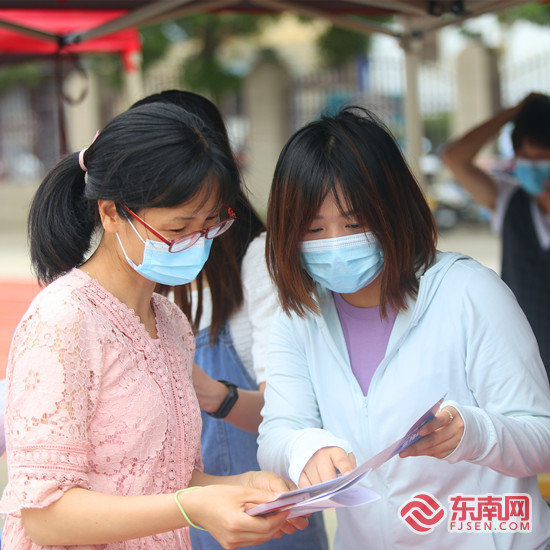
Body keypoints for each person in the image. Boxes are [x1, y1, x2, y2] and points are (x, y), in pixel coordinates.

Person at [0, 102, 308, 549]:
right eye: (178, 229)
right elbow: (45, 515)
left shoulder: (170, 322)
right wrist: (192, 507)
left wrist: (242, 486)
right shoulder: (63, 320)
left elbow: (161, 479)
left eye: (210, 226)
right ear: (111, 213)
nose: (196, 244)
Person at [258, 106, 550, 549]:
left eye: (354, 224)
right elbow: (278, 431)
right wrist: (304, 449)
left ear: (394, 210)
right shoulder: (300, 316)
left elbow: (541, 435)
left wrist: (474, 433)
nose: (335, 244)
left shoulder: (468, 292)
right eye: (313, 230)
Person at [131, 90, 329, 550]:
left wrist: (207, 391)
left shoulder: (259, 260)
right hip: (169, 517)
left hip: (263, 517)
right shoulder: (137, 265)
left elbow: (292, 413)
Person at [442, 93, 550, 382]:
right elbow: (454, 157)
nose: (533, 166)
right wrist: (514, 112)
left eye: (541, 157)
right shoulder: (510, 201)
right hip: (523, 373)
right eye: (524, 157)